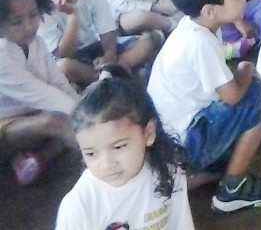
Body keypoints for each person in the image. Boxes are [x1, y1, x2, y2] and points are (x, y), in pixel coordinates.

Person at [147, 0, 261, 213]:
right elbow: (232, 96)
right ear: (210, 10)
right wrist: (244, 71)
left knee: (243, 122)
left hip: (173, 137)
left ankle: (187, 179)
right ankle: (232, 188)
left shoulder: (197, 27)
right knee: (260, 97)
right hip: (185, 141)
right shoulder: (200, 42)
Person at [56, 77, 194, 229]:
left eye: (119, 147)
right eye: (91, 154)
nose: (107, 164)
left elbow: (181, 224)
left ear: (148, 134)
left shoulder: (169, 172)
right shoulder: (79, 205)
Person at [37, 0, 161, 86]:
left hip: (96, 47)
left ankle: (114, 71)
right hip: (73, 58)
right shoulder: (41, 9)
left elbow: (108, 31)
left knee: (149, 40)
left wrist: (109, 55)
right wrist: (73, 16)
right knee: (63, 67)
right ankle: (106, 77)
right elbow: (63, 54)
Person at [0, 0, 78, 185]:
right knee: (59, 122)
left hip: (30, 115)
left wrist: (84, 108)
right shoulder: (2, 55)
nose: (28, 26)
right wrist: (86, 117)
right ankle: (99, 161)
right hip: (6, 126)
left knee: (76, 104)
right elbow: (42, 93)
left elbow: (58, 83)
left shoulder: (38, 43)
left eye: (34, 15)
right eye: (16, 22)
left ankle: (37, 160)